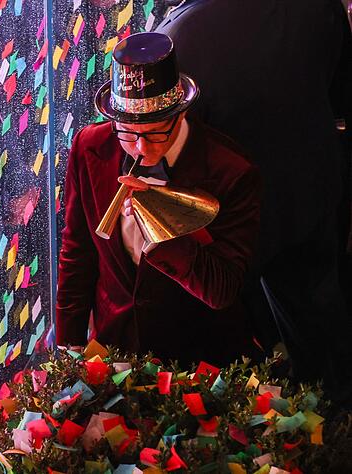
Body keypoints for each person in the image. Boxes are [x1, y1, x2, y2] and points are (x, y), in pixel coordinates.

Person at [156, 0, 352, 402]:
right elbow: (339, 86)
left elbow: (175, 153)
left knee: (240, 353)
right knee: (320, 318)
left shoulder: (179, 39)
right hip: (315, 189)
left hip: (241, 220)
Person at [56, 32, 262, 366]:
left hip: (198, 358)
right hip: (115, 350)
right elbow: (77, 252)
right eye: (127, 133)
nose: (140, 147)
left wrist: (159, 228)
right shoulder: (89, 147)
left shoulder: (232, 172)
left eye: (155, 133)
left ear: (180, 115)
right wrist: (70, 346)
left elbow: (222, 289)